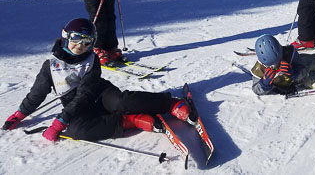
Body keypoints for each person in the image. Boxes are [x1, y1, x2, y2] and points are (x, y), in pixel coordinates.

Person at [2, 18, 190, 141]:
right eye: (76, 38)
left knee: (123, 101)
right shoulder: (51, 66)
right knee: (77, 131)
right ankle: (130, 120)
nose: (81, 46)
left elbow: (86, 92)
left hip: (100, 94)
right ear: (65, 37)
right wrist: (20, 114)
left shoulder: (92, 60)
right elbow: (37, 93)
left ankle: (170, 103)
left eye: (87, 42)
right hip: (76, 105)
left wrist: (62, 118)